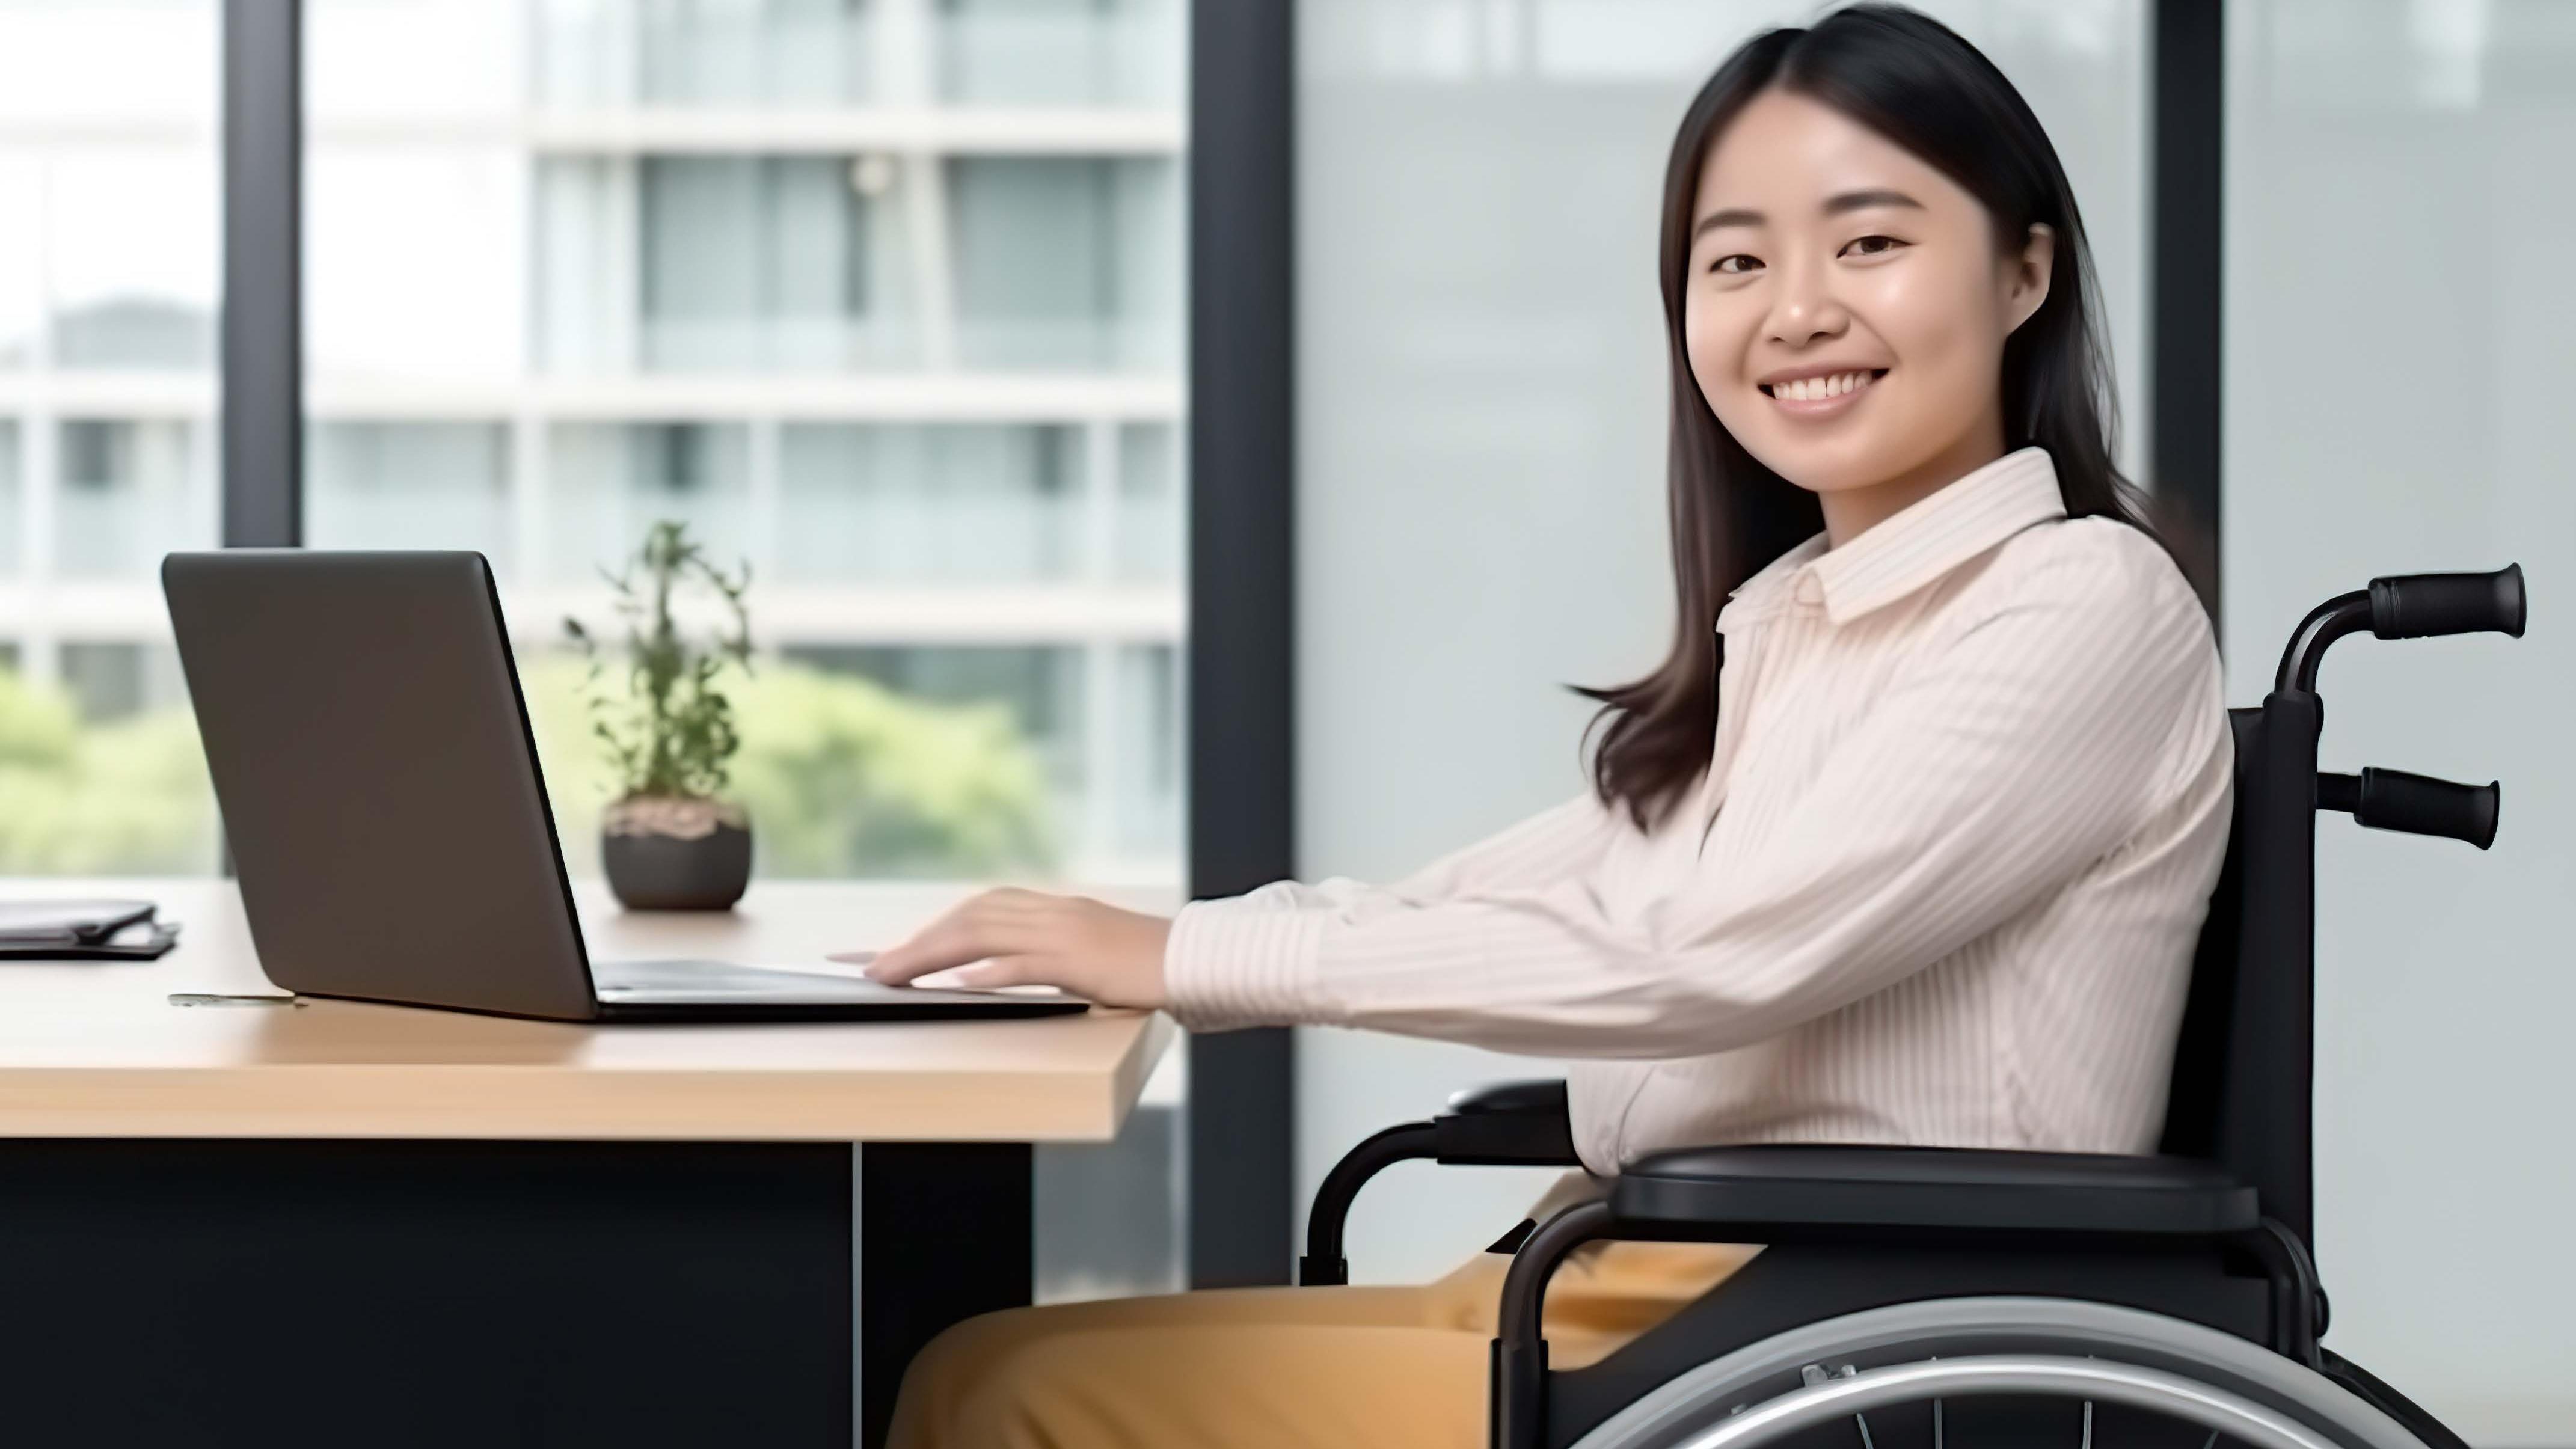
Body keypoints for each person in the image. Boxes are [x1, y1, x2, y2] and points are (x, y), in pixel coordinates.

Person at [863, 6, 2231, 1445]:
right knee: (966, 1366)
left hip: (1846, 1334)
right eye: (1737, 261)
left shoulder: (2078, 599)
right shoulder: (1810, 617)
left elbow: (1718, 952)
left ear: (2025, 271)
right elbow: (1567, 881)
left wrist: (1191, 956)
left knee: (1010, 1400)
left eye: (1870, 243)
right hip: (1652, 1274)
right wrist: (1157, 944)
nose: (1799, 308)